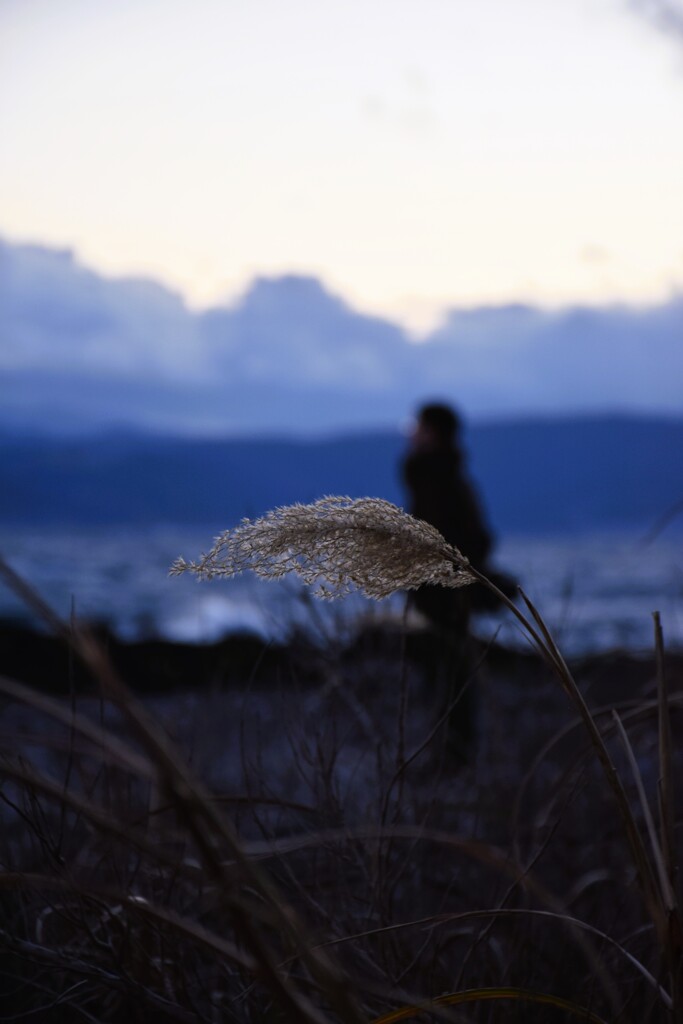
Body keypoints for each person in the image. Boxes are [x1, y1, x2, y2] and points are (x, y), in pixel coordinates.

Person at [402, 401, 494, 762]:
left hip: (445, 597)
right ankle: (451, 756)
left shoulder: (437, 479)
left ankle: (452, 759)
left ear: (433, 432)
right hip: (440, 595)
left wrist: (443, 576)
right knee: (446, 674)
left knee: (449, 675)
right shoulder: (440, 477)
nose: (410, 433)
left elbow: (470, 539)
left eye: (416, 426)